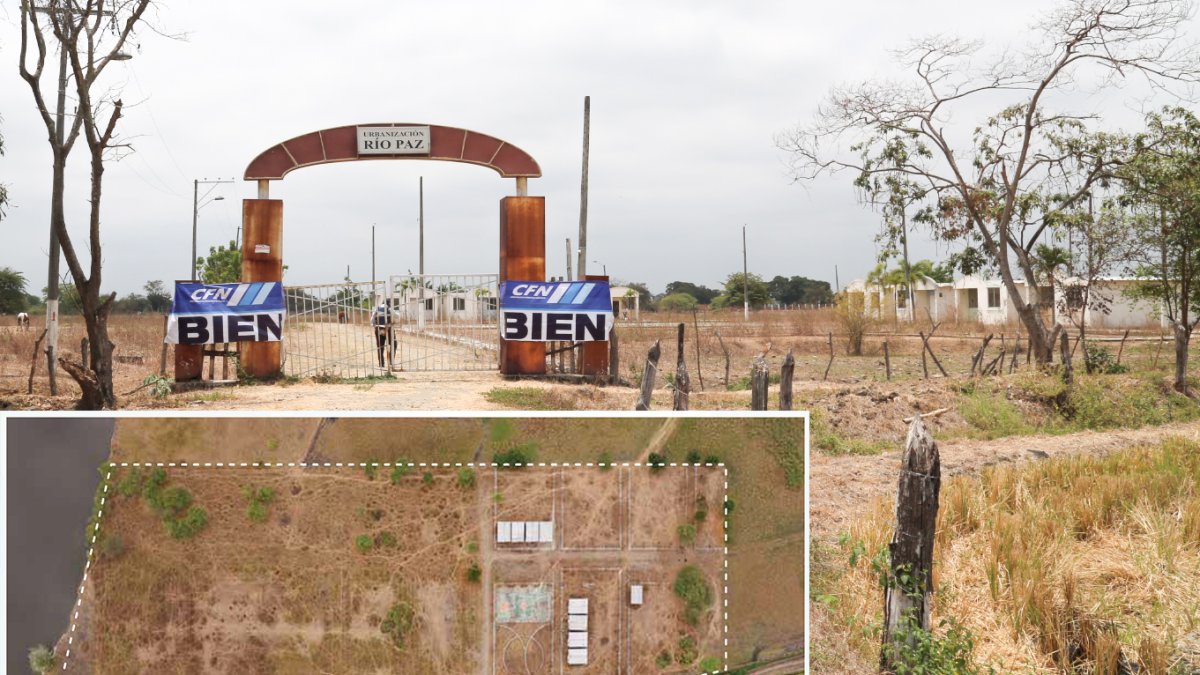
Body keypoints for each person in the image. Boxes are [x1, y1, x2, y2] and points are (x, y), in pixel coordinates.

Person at [372, 301, 397, 368]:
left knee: (380, 347)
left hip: (379, 329)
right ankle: (391, 362)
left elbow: (372, 320)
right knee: (393, 345)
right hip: (388, 329)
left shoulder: (377, 309)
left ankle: (381, 364)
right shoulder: (390, 309)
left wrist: (377, 327)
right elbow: (397, 317)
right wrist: (393, 323)